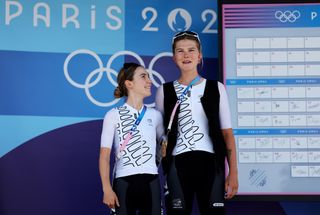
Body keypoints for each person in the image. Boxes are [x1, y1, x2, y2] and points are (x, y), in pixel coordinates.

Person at [155, 31, 238, 215]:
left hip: (211, 165)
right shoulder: (164, 91)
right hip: (177, 165)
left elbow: (227, 134)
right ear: (174, 56)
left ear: (199, 55)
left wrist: (233, 173)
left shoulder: (217, 88)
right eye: (180, 51)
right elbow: (159, 137)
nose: (186, 55)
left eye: (191, 50)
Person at [99, 62, 165, 215]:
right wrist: (107, 188)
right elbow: (104, 156)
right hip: (123, 183)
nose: (149, 81)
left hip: (151, 182)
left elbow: (164, 147)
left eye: (148, 76)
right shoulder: (113, 115)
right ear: (129, 83)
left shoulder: (155, 115)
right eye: (143, 76)